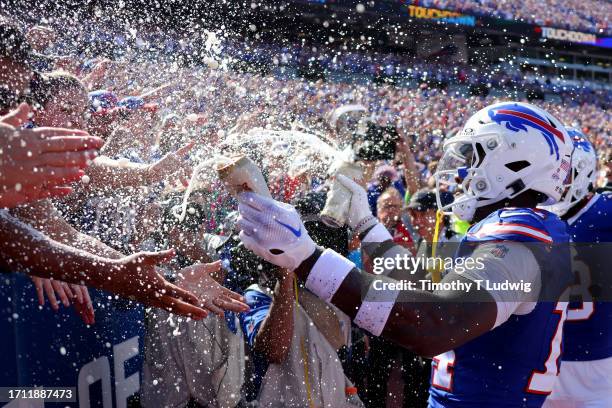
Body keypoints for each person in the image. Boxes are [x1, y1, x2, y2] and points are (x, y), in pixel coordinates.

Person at [235, 101, 575, 407]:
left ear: (515, 162)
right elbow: (427, 282)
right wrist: (367, 224)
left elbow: (435, 323)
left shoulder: (520, 238)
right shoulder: (530, 230)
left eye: (474, 159)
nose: (462, 174)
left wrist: (305, 258)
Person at [542, 130, 612, 408]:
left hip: (598, 368)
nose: (553, 181)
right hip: (544, 360)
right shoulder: (531, 218)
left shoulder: (604, 214)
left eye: (560, 172)